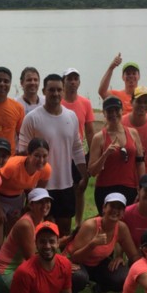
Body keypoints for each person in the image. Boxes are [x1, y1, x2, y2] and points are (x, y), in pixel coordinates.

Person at [18, 74, 87, 236]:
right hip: (40, 184)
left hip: (65, 184)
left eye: (58, 90)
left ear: (63, 91)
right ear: (44, 91)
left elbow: (77, 148)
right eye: (51, 90)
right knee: (42, 230)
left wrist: (84, 174)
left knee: (63, 230)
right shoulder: (32, 118)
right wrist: (27, 184)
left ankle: (60, 261)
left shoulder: (71, 116)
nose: (55, 94)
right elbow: (22, 154)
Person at [0, 137, 51, 288]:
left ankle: (14, 272)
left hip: (17, 200)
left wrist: (28, 210)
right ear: (29, 154)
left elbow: (37, 192)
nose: (41, 160)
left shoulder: (46, 170)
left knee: (14, 239)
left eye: (44, 156)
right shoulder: (13, 166)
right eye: (37, 156)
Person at [0, 188, 52, 293]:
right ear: (31, 205)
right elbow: (32, 258)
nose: (45, 205)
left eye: (47, 201)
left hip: (13, 270)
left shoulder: (39, 219)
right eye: (41, 202)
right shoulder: (26, 224)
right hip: (4, 273)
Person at [66, 193, 140, 293]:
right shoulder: (90, 226)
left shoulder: (122, 228)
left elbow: (134, 256)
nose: (115, 210)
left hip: (98, 264)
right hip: (78, 263)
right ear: (104, 208)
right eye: (112, 206)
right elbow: (74, 257)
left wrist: (120, 258)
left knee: (123, 276)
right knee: (78, 277)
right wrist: (92, 244)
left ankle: (99, 289)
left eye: (119, 208)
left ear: (123, 213)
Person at [88, 96, 145, 212]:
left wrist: (142, 187)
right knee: (108, 224)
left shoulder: (133, 133)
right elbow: (92, 171)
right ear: (104, 113)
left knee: (127, 224)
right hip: (106, 188)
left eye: (116, 110)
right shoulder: (99, 138)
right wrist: (105, 154)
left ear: (121, 111)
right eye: (109, 111)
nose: (113, 114)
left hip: (129, 187)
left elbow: (140, 162)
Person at [61, 67, 95, 227]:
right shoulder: (57, 100)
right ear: (64, 82)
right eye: (69, 79)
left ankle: (79, 222)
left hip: (78, 153)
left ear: (79, 82)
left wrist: (92, 154)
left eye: (75, 79)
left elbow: (89, 130)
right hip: (60, 153)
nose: (73, 82)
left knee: (80, 188)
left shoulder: (85, 103)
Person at [97, 48, 147, 114]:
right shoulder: (116, 96)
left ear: (139, 76)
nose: (131, 76)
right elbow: (102, 92)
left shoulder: (145, 94)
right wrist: (111, 67)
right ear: (122, 77)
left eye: (134, 73)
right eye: (128, 73)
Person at [122, 86, 147, 175]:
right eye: (139, 101)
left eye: (146, 102)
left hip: (144, 175)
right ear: (131, 102)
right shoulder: (121, 123)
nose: (142, 105)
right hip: (122, 175)